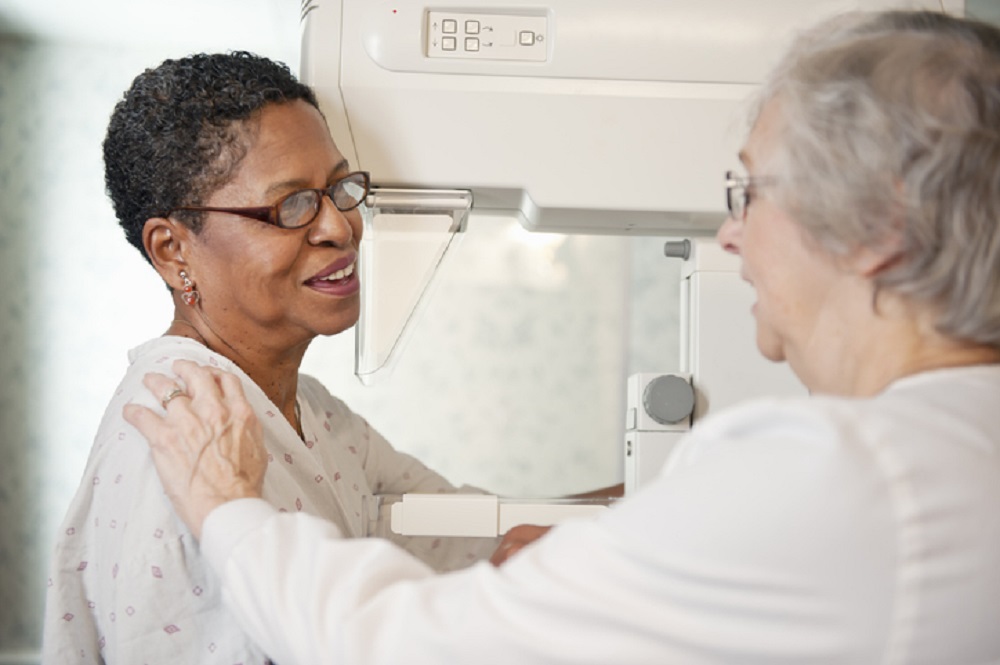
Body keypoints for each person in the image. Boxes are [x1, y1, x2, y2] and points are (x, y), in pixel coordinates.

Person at [122, 9, 1000, 664]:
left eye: (751, 193)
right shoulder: (175, 422)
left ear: (881, 224)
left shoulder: (840, 471)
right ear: (173, 247)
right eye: (290, 204)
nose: (730, 234)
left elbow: (410, 634)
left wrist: (229, 513)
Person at [43, 52, 598, 664]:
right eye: (290, 206)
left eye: (338, 189)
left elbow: (478, 535)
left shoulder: (317, 418)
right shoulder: (178, 434)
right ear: (174, 250)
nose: (341, 227)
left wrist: (676, 489)